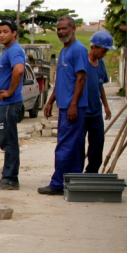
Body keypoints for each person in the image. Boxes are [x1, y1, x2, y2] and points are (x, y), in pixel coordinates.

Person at [39, 15, 89, 195]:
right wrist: (50, 101)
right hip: (65, 106)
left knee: (65, 146)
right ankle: (73, 183)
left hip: (73, 107)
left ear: (73, 29)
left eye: (65, 28)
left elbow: (81, 79)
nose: (61, 32)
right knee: (74, 146)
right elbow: (61, 79)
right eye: (59, 29)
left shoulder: (78, 50)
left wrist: (74, 104)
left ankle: (57, 183)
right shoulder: (64, 51)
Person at [0, 21, 26, 190]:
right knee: (5, 140)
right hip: (3, 104)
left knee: (9, 140)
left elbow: (19, 70)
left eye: (5, 31)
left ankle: (11, 179)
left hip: (9, 104)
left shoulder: (15, 50)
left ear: (14, 33)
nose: (2, 35)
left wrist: (10, 92)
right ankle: (7, 176)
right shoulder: (9, 51)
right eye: (0, 32)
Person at [83, 30, 115, 173]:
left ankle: (92, 172)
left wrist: (106, 106)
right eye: (103, 51)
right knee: (78, 144)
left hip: (96, 111)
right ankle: (76, 172)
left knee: (97, 142)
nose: (104, 55)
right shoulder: (83, 62)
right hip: (82, 111)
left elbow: (100, 86)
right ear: (94, 47)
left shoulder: (101, 64)